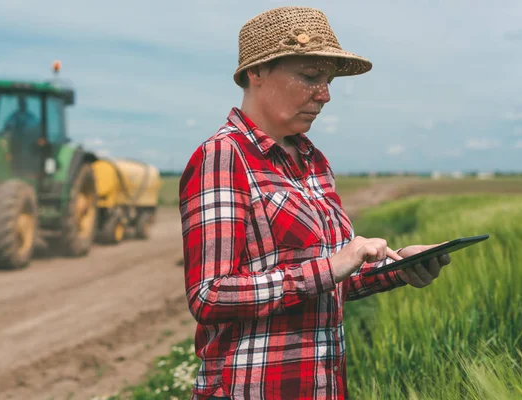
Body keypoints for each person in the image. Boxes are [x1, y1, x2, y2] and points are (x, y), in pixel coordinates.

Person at [179, 6, 451, 400]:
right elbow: (209, 294)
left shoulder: (314, 162)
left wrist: (399, 267)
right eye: (310, 77)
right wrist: (330, 267)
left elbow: (326, 282)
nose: (324, 94)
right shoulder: (223, 156)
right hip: (251, 388)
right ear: (256, 72)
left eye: (327, 81)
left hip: (320, 387)